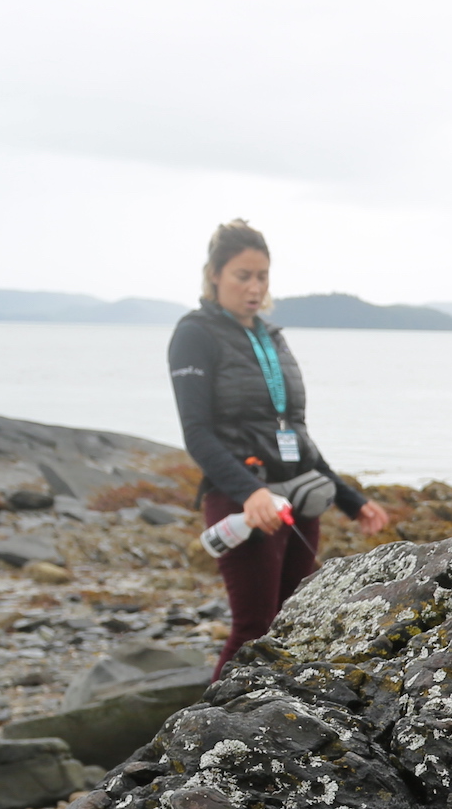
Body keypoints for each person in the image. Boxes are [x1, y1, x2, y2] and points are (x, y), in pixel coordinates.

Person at [167, 219, 392, 672]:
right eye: (242, 276)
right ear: (214, 275)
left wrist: (350, 499)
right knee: (254, 630)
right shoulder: (195, 334)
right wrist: (251, 492)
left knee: (294, 627)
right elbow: (197, 432)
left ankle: (275, 716)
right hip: (245, 504)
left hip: (298, 502)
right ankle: (214, 718)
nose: (254, 288)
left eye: (262, 276)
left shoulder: (272, 336)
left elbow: (295, 432)